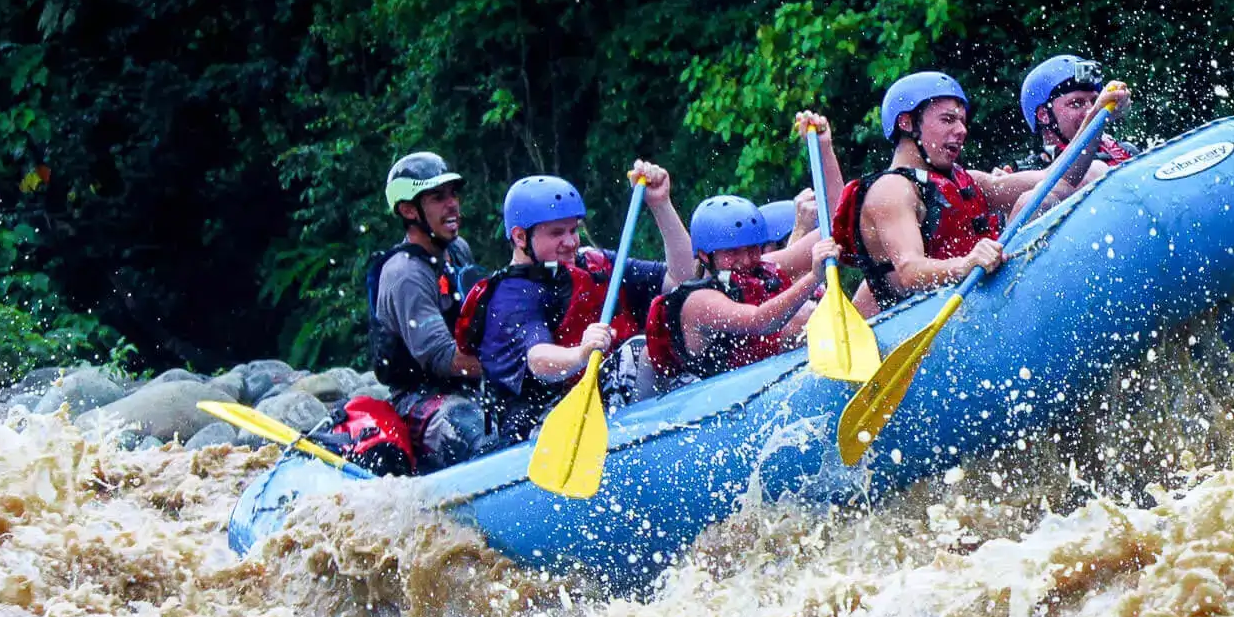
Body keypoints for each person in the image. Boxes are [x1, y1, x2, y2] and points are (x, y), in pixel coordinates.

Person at [462, 162, 694, 445]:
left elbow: (681, 278)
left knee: (674, 335)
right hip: (540, 429)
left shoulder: (594, 264)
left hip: (606, 404)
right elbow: (538, 359)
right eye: (557, 233)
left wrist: (661, 205)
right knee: (638, 351)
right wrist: (581, 355)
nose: (571, 242)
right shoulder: (510, 295)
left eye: (574, 230)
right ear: (520, 237)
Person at [831, 72, 1102, 310]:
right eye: (948, 120)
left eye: (962, 121)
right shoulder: (891, 190)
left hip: (981, 299)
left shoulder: (970, 180)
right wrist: (965, 264)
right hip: (925, 318)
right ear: (907, 123)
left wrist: (1098, 116)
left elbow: (1061, 179)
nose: (961, 130)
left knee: (1045, 197)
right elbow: (910, 271)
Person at [366, 151, 489, 472]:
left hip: (469, 386)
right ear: (408, 210)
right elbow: (444, 358)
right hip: (420, 399)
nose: (452, 204)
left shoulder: (457, 251)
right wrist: (510, 363)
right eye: (437, 197)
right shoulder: (405, 274)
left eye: (453, 194)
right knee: (474, 431)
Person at [644, 195, 841, 385]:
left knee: (810, 313)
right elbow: (760, 322)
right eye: (732, 252)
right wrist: (814, 277)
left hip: (756, 380)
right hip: (708, 401)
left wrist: (825, 159)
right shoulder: (699, 301)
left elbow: (834, 223)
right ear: (705, 256)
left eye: (752, 249)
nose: (746, 260)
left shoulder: (760, 268)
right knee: (801, 319)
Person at [1001, 54, 1137, 178]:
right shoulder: (1024, 174)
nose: (1091, 111)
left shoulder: (1127, 153)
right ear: (1044, 115)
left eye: (1095, 101)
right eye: (1076, 104)